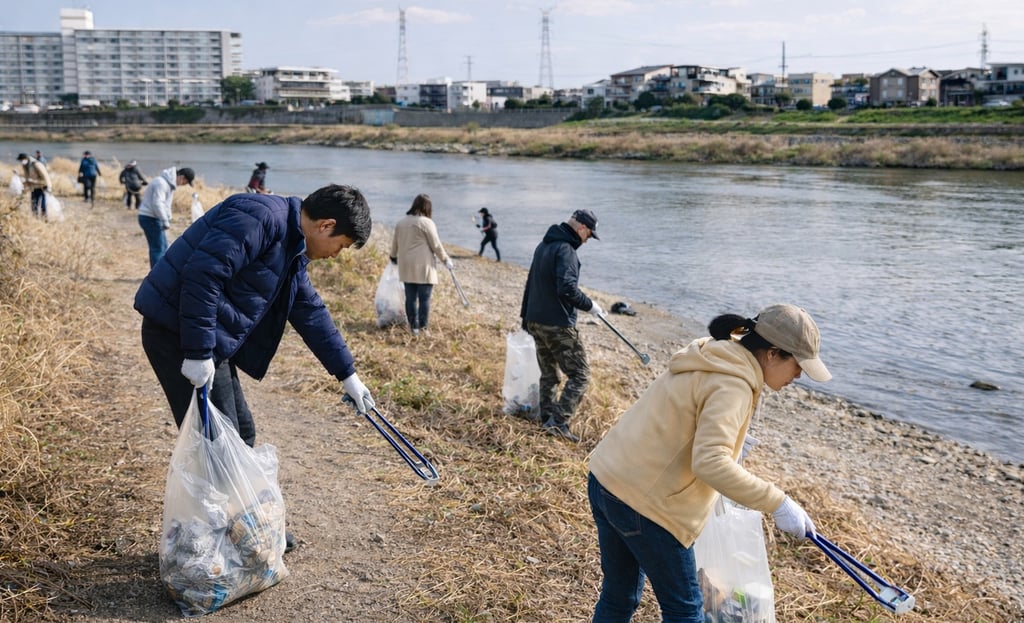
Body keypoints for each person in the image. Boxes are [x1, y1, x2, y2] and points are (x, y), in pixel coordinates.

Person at [133, 184, 376, 553]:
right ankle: (213, 538)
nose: (335, 255)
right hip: (177, 334)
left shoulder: (293, 243)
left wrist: (348, 374)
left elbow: (308, 310)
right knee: (215, 441)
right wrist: (197, 351)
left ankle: (241, 527)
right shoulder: (259, 218)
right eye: (341, 246)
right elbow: (204, 274)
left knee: (239, 430)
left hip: (208, 339)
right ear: (326, 225)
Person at [587, 304, 832, 622]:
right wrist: (779, 503)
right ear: (772, 353)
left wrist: (732, 446)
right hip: (646, 505)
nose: (799, 375)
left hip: (608, 477)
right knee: (686, 609)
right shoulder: (734, 384)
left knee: (619, 595)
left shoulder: (714, 353)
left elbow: (684, 421)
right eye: (798, 365)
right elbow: (710, 463)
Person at [519, 208, 602, 442]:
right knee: (580, 375)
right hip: (556, 324)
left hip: (536, 320)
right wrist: (590, 305)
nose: (587, 241)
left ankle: (546, 418)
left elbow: (530, 283)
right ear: (582, 228)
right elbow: (566, 287)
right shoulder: (565, 250)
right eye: (589, 235)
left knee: (549, 373)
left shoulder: (543, 245)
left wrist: (526, 317)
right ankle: (558, 423)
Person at [389, 193, 453, 336]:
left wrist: (393, 256)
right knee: (424, 299)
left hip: (405, 265)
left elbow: (395, 242)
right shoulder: (426, 222)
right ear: (427, 207)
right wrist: (446, 259)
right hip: (423, 266)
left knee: (410, 298)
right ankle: (424, 328)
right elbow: (436, 245)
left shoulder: (401, 222)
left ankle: (413, 328)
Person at [138, 166, 194, 268]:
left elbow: (166, 205)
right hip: (149, 218)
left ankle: (159, 273)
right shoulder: (161, 183)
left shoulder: (169, 184)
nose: (183, 185)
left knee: (163, 246)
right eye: (185, 182)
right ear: (181, 177)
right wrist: (164, 220)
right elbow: (157, 204)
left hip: (153, 217)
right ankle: (156, 277)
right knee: (158, 248)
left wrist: (168, 217)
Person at [16, 153, 52, 218]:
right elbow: (27, 178)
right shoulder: (25, 166)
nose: (21, 162)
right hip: (33, 187)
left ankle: (45, 219)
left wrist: (48, 186)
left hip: (42, 187)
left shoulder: (36, 164)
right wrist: (24, 187)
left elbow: (45, 176)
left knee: (42, 205)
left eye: (22, 160)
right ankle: (35, 219)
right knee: (34, 205)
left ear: (26, 158)